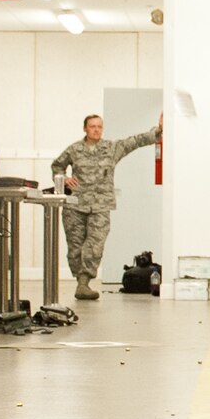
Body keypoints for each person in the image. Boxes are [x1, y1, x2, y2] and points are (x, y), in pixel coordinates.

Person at [50, 112, 162, 300]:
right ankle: (81, 283)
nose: (96, 130)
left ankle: (84, 283)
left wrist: (158, 130)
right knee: (75, 247)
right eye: (92, 126)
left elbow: (135, 141)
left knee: (95, 246)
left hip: (100, 207)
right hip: (75, 205)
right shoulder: (74, 149)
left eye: (99, 126)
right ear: (85, 128)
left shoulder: (111, 148)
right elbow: (57, 166)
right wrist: (64, 179)